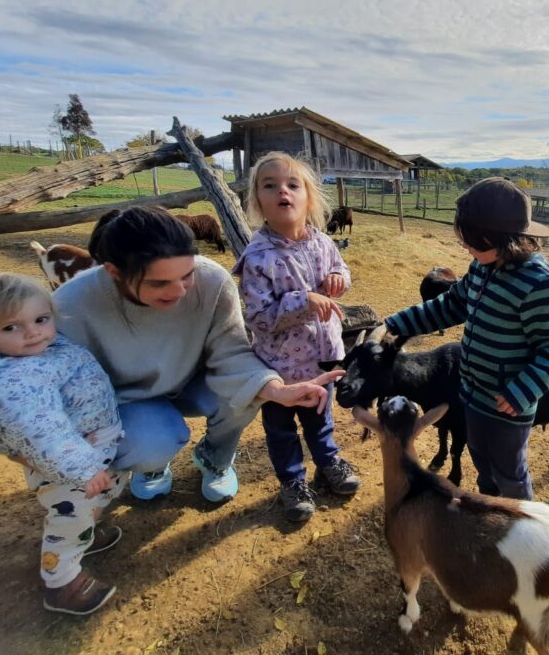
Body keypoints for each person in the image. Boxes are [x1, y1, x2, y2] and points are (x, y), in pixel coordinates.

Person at [51, 205, 343, 504]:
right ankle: (150, 465)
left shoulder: (212, 280)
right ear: (114, 272)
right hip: (129, 398)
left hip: (197, 378)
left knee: (249, 392)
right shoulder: (71, 305)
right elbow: (54, 386)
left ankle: (215, 459)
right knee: (152, 443)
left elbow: (231, 351)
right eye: (159, 283)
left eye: (186, 275)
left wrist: (276, 390)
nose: (179, 291)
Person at [384, 177, 549, 500]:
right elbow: (450, 305)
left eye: (469, 240)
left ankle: (518, 524)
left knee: (510, 474)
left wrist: (522, 391)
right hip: (472, 396)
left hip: (508, 407)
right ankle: (491, 508)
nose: (464, 246)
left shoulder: (536, 283)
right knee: (483, 464)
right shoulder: (481, 267)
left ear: (493, 238)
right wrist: (399, 323)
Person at [0, 274, 124, 615]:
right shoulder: (16, 379)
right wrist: (82, 468)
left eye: (40, 320)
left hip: (88, 450)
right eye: (10, 328)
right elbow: (42, 429)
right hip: (67, 467)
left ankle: (84, 538)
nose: (32, 332)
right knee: (68, 518)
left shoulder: (44, 351)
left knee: (102, 496)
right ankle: (62, 582)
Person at [234, 152, 360, 523]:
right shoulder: (257, 257)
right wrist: (303, 300)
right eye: (269, 186)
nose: (282, 192)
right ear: (258, 200)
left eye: (292, 185)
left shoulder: (322, 242)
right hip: (280, 369)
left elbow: (342, 269)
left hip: (323, 358)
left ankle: (327, 462)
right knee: (281, 431)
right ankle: (292, 481)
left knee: (321, 419)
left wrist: (340, 278)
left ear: (309, 196)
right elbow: (258, 318)